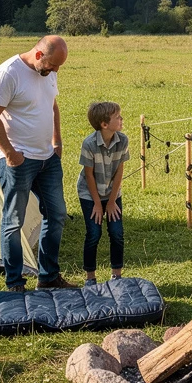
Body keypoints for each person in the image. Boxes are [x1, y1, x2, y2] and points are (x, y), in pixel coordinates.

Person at [0, 35, 76, 292]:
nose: (55, 71)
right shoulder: (7, 74)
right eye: (53, 65)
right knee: (14, 221)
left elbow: (52, 106)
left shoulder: (48, 72)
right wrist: (10, 153)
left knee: (56, 214)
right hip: (18, 161)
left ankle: (48, 278)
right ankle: (14, 283)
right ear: (38, 55)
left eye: (59, 66)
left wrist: (57, 142)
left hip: (48, 158)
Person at [77, 101, 130, 285]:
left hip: (112, 193)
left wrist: (112, 200)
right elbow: (89, 175)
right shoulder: (89, 144)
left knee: (116, 232)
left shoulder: (122, 140)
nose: (122, 119)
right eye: (117, 117)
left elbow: (120, 171)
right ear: (104, 124)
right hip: (89, 194)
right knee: (94, 233)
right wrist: (98, 204)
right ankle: (90, 277)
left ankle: (116, 275)